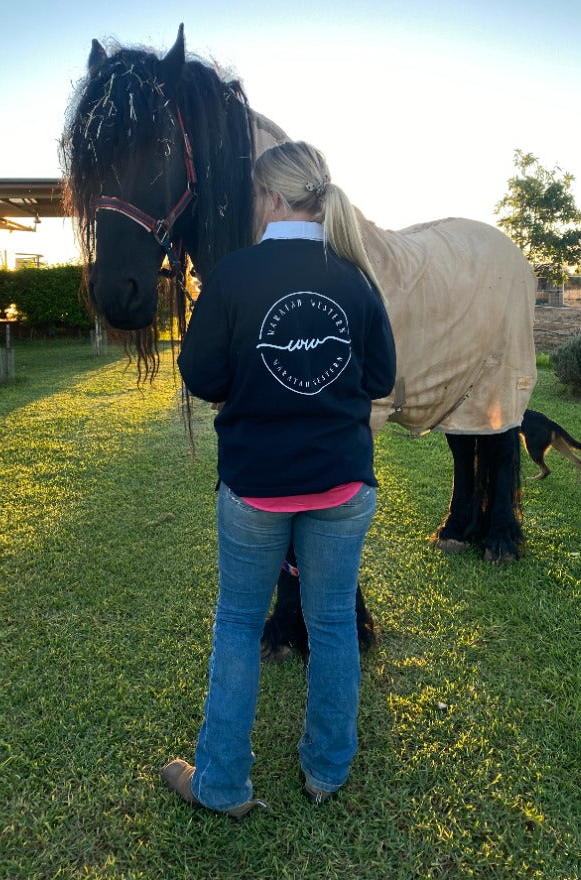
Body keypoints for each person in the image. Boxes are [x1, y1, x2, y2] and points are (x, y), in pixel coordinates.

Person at [162, 141, 396, 819]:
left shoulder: (233, 277)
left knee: (237, 626)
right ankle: (327, 773)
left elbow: (202, 378)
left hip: (255, 487)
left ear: (268, 197)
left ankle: (223, 786)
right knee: (331, 626)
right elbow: (379, 378)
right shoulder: (356, 280)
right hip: (343, 487)